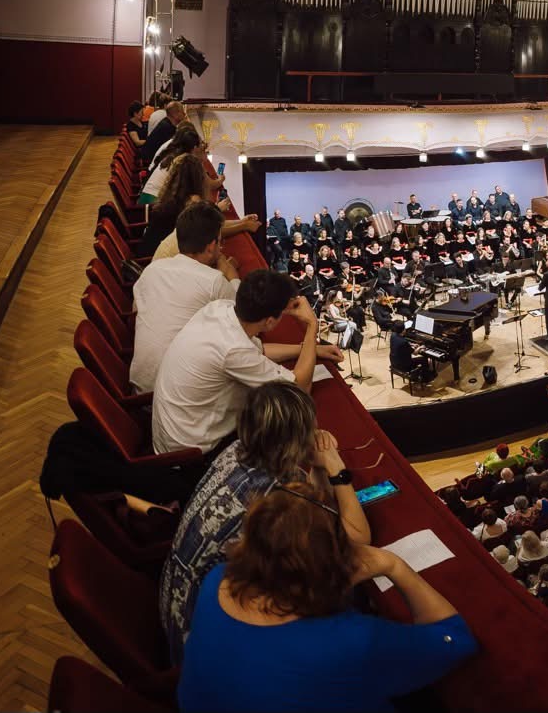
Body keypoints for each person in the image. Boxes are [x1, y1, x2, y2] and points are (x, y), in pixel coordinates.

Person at [176, 485, 476, 712]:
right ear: (333, 561)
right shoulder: (351, 641)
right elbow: (454, 639)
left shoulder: (219, 578)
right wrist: (393, 565)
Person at [160, 382, 371, 659]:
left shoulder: (237, 450)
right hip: (208, 643)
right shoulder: (276, 496)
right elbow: (357, 538)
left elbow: (315, 503)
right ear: (296, 439)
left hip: (178, 608)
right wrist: (336, 467)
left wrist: (316, 466)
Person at [151, 270, 336, 456]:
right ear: (270, 322)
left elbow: (260, 351)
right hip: (192, 452)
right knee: (284, 426)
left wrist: (307, 349)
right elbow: (299, 389)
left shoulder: (219, 308)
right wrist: (311, 326)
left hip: (174, 432)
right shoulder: (233, 349)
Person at [131, 200, 241, 393]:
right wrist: (233, 278)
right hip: (178, 397)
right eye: (220, 241)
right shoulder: (214, 281)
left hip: (140, 388)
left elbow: (136, 310)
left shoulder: (152, 270)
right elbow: (245, 320)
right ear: (211, 246)